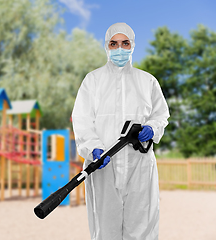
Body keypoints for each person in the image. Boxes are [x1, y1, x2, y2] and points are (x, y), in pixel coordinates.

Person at [71, 22, 170, 240]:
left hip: (140, 166)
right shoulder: (93, 80)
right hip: (104, 165)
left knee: (142, 223)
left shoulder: (147, 81)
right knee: (105, 227)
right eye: (113, 44)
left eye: (125, 43)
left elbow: (161, 114)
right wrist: (93, 148)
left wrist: (151, 128)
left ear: (132, 45)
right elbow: (82, 120)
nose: (119, 49)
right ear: (106, 46)